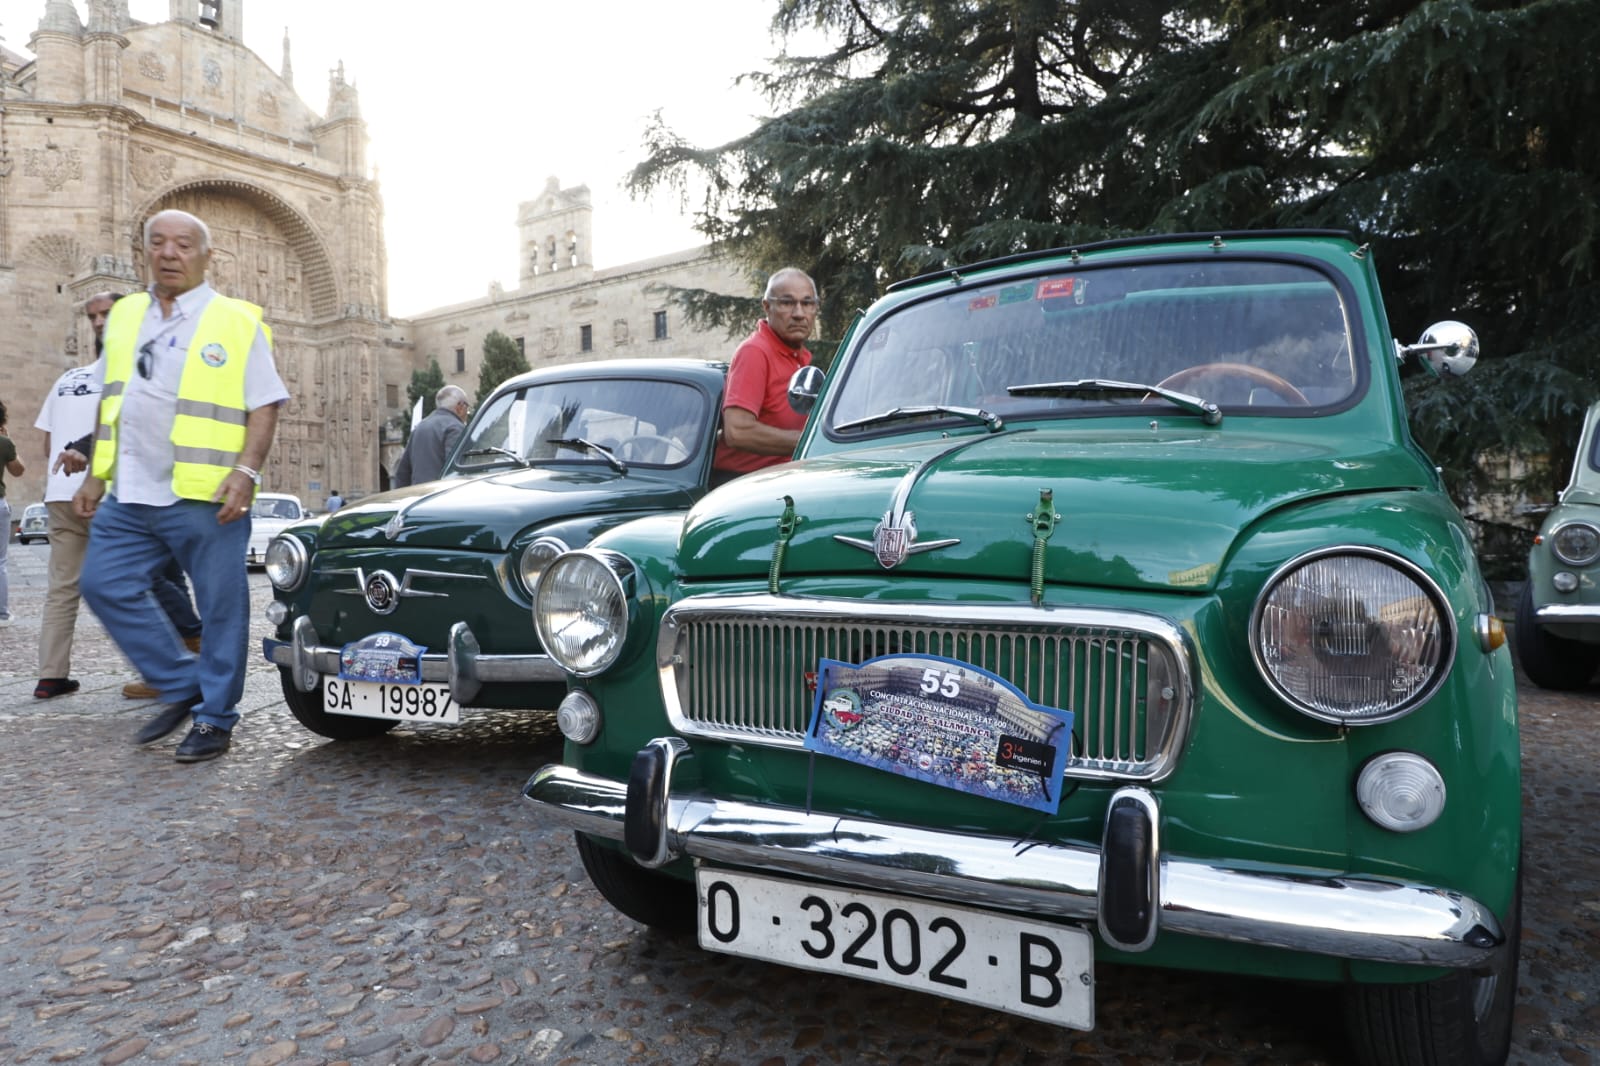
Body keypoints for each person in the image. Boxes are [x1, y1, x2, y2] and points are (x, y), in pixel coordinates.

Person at [75, 209, 289, 763]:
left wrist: (245, 472)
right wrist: (98, 475)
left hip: (207, 492)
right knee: (102, 582)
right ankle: (180, 682)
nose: (169, 252)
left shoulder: (235, 321)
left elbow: (265, 401)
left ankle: (215, 718)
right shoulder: (124, 317)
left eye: (184, 244)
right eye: (159, 242)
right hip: (130, 490)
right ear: (145, 250)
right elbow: (110, 398)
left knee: (221, 608)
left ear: (205, 255)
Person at [32, 293, 115, 694]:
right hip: (103, 492)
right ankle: (159, 674)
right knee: (134, 582)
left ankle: (50, 675)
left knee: (61, 590)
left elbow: (48, 447)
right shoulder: (123, 377)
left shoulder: (66, 379)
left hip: (59, 493)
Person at [710, 267, 818, 487]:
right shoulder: (755, 352)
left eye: (807, 303)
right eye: (787, 303)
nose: (799, 313)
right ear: (767, 307)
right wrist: (810, 442)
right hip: (744, 486)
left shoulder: (801, 356)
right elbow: (737, 431)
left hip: (784, 480)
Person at [393, 385, 469, 487]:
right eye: (467, 407)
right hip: (442, 496)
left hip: (419, 497)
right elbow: (455, 471)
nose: (467, 413)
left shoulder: (420, 427)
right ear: (460, 406)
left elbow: (402, 473)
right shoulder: (456, 428)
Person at [0, 399, 25, 627]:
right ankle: (1, 614)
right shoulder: (3, 442)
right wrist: (9, 439)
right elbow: (18, 470)